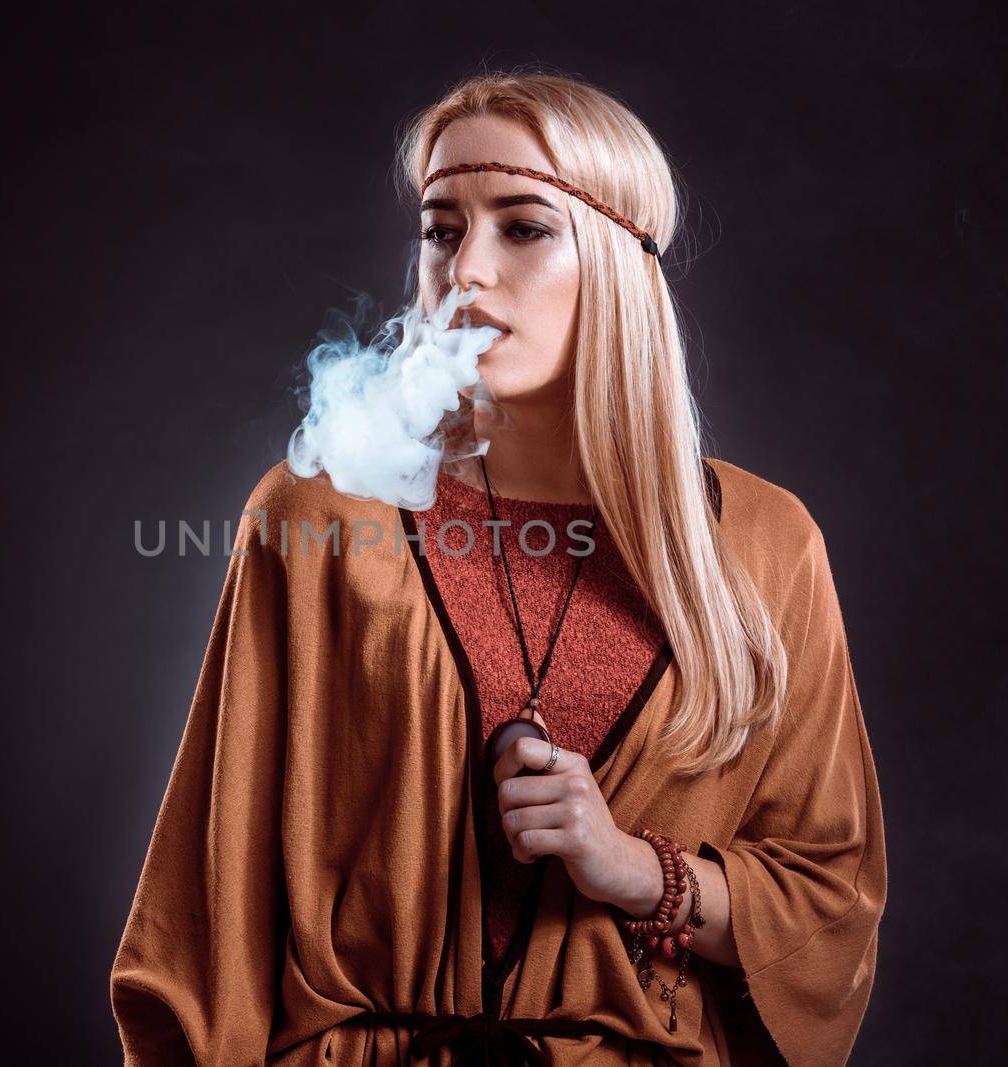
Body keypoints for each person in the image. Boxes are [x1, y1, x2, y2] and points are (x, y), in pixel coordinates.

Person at [111, 68, 886, 1066]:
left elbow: (831, 903)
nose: (465, 269)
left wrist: (634, 869)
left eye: (522, 226)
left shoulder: (763, 544)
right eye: (441, 228)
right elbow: (203, 916)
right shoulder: (319, 517)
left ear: (616, 257)